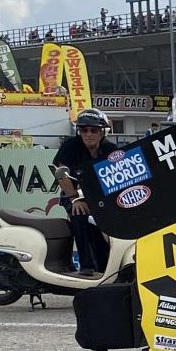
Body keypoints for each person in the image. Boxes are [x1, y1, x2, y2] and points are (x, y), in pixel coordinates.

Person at [52, 108, 117, 276]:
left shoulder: (111, 149)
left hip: (102, 198)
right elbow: (62, 174)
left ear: (103, 132)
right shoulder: (70, 146)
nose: (88, 134)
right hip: (74, 195)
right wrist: (75, 199)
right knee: (80, 215)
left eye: (93, 130)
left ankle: (110, 267)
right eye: (83, 130)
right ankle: (86, 266)